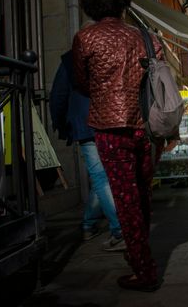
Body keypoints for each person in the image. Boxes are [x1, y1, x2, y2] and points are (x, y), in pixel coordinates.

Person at [73, 0, 164, 292]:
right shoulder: (147, 38)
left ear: (93, 7)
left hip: (109, 127)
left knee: (125, 199)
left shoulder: (85, 38)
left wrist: (104, 92)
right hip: (147, 127)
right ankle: (139, 254)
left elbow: (82, 82)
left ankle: (144, 270)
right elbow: (160, 82)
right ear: (123, 4)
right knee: (142, 194)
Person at [49, 50, 125, 251]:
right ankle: (118, 230)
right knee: (105, 178)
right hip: (113, 122)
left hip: (86, 125)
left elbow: (58, 95)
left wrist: (61, 124)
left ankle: (89, 225)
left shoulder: (71, 59)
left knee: (101, 178)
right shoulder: (112, 53)